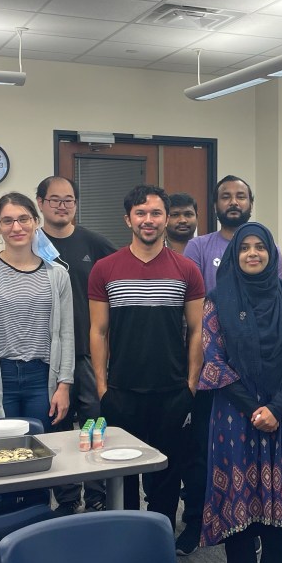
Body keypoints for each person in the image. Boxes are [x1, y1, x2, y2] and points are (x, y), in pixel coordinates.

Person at [199, 222, 282, 563]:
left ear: (271, 253)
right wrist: (255, 410)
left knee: (277, 490)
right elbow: (214, 361)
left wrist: (275, 409)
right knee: (239, 489)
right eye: (244, 247)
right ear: (234, 255)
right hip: (235, 413)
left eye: (260, 247)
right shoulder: (218, 300)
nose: (252, 253)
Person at [178, 175, 282, 555]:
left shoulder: (269, 249)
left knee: (257, 459)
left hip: (263, 380)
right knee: (204, 454)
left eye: (241, 196)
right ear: (216, 204)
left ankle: (253, 527)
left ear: (250, 202)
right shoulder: (199, 246)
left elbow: (275, 309)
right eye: (226, 196)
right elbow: (194, 307)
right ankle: (199, 522)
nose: (234, 202)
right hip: (216, 373)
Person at [89, 184, 204, 524]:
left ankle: (160, 535)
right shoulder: (105, 269)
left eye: (156, 213)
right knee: (122, 472)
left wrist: (191, 386)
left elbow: (197, 331)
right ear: (128, 219)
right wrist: (102, 388)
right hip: (121, 391)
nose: (148, 220)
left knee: (167, 473)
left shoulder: (187, 269)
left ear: (166, 219)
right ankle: (127, 536)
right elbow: (98, 331)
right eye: (140, 213)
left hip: (172, 391)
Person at [36, 175, 116, 513]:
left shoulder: (94, 243)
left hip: (87, 353)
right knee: (56, 428)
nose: (61, 206)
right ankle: (67, 499)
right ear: (40, 203)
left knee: (94, 424)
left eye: (68, 199)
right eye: (54, 199)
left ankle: (97, 496)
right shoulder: (29, 243)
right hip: (46, 356)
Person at [0, 192, 73, 425]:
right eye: (7, 221)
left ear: (35, 222)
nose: (16, 227)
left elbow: (66, 334)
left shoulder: (58, 274)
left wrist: (64, 385)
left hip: (42, 378)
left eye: (23, 219)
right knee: (0, 445)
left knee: (41, 442)